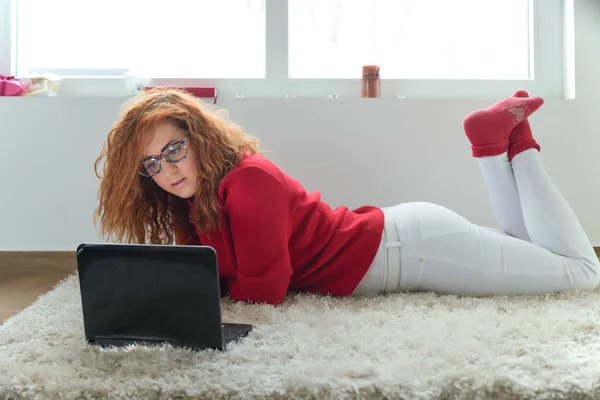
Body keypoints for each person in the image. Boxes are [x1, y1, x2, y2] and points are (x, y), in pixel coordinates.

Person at [94, 88, 600, 305]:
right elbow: (201, 276)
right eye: (152, 164)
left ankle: (521, 143)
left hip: (415, 251)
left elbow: (266, 289)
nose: (168, 168)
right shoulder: (191, 201)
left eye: (175, 148)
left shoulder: (249, 180)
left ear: (199, 137)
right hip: (406, 241)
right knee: (525, 243)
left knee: (580, 273)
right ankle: (492, 144)